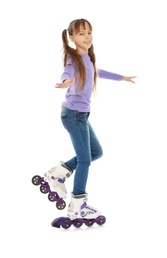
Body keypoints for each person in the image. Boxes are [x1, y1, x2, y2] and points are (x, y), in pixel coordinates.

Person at [44, 18, 136, 220]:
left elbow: (98, 72)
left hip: (81, 116)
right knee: (85, 159)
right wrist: (66, 80)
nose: (87, 37)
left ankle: (57, 173)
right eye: (81, 33)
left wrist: (122, 77)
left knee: (96, 152)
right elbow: (68, 71)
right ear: (72, 38)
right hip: (73, 115)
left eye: (89, 32)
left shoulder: (88, 59)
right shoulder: (74, 59)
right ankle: (77, 204)